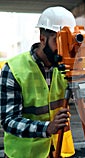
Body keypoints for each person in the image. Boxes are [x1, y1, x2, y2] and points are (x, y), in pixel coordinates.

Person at [0, 6, 77, 158]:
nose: (63, 49)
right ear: (42, 38)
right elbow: (9, 121)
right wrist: (47, 128)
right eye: (58, 41)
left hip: (61, 152)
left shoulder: (69, 66)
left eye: (67, 41)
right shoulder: (14, 69)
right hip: (26, 154)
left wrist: (81, 70)